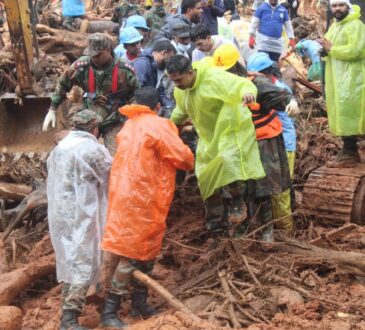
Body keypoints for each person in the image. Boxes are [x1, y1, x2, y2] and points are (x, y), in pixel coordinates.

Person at [100, 87, 194, 328]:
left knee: (143, 250)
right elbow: (182, 158)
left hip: (124, 195)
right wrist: (194, 150)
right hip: (145, 197)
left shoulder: (129, 125)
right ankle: (110, 311)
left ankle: (138, 303)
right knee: (134, 254)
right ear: (158, 106)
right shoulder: (159, 125)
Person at [167, 55, 266, 236]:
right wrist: (167, 126)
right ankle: (216, 227)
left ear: (190, 73)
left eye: (179, 80)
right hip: (207, 138)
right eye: (173, 81)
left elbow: (242, 85)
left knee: (228, 162)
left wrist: (247, 94)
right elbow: (181, 110)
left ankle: (237, 202)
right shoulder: (181, 90)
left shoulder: (214, 78)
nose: (177, 85)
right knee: (206, 179)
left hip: (231, 130)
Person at [209, 46, 295, 239]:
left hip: (263, 140)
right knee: (239, 187)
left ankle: (267, 231)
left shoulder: (256, 82)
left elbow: (279, 96)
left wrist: (290, 102)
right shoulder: (218, 86)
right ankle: (243, 229)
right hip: (237, 142)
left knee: (263, 187)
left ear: (236, 68)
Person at [47, 109, 112, 330]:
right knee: (82, 261)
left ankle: (68, 312)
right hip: (82, 214)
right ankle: (69, 319)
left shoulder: (60, 148)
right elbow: (110, 174)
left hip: (60, 212)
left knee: (69, 260)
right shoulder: (93, 149)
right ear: (94, 129)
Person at [42, 33, 139, 155]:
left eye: (98, 55)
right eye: (91, 55)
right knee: (74, 152)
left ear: (108, 50)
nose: (94, 58)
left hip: (115, 118)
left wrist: (132, 118)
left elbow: (136, 95)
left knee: (118, 157)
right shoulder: (82, 66)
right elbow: (63, 84)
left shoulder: (124, 70)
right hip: (88, 116)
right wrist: (52, 108)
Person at [246, 51, 298, 234]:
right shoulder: (257, 87)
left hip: (284, 143)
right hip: (268, 144)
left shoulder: (276, 90)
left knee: (280, 191)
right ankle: (275, 228)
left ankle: (286, 231)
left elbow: (287, 113)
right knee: (271, 189)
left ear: (265, 73)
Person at [318, 0, 365, 167]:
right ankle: (350, 151)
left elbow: (357, 50)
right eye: (334, 6)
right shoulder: (335, 26)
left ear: (348, 6)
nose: (337, 9)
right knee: (344, 114)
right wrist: (324, 51)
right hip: (337, 80)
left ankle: (351, 152)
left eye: (341, 5)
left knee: (354, 113)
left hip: (353, 79)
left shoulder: (356, 25)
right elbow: (329, 48)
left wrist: (332, 49)